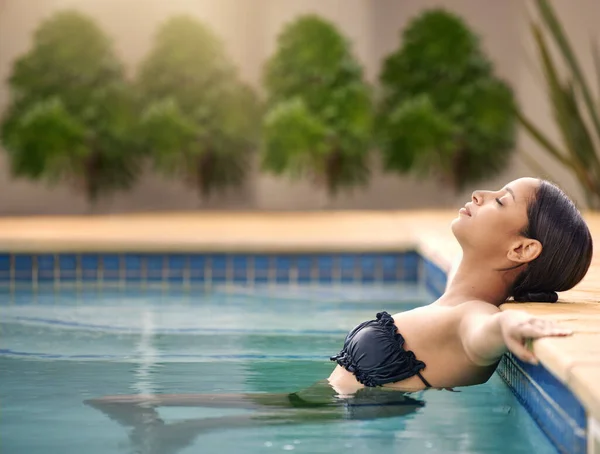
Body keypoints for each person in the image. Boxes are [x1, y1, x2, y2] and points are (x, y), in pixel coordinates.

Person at [86, 177, 593, 449]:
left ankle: (170, 424)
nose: (481, 194)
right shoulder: (450, 306)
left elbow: (486, 333)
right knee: (223, 408)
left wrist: (509, 325)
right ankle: (158, 412)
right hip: (331, 411)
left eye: (500, 200)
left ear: (522, 250)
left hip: (347, 425)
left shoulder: (471, 317)